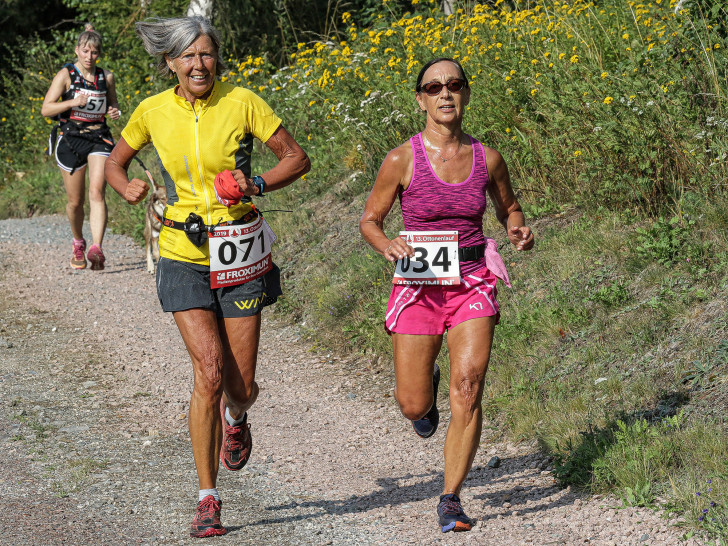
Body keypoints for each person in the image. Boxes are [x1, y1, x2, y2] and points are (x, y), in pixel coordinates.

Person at [104, 16, 310, 538]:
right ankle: (207, 497)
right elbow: (114, 161)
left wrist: (256, 182)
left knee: (239, 386)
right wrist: (124, 185)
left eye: (206, 54)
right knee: (210, 372)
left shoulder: (243, 102)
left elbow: (296, 158)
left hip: (238, 250)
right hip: (181, 248)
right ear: (169, 62)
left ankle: (237, 420)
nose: (198, 64)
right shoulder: (151, 111)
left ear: (217, 59)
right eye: (187, 56)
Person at [359, 57, 534, 533]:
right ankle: (426, 391)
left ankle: (451, 497)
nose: (445, 93)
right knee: (413, 404)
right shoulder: (402, 159)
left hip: (472, 279)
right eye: (434, 87)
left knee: (471, 386)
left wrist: (517, 230)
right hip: (419, 282)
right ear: (421, 99)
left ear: (466, 94)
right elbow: (370, 221)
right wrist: (387, 244)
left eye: (454, 84)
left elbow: (509, 208)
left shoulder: (488, 158)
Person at [41, 24, 120, 270]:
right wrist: (73, 102)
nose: (89, 57)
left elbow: (112, 105)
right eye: (85, 51)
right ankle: (78, 242)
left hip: (99, 138)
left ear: (99, 54)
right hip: (71, 139)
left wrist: (114, 111)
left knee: (97, 192)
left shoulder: (106, 76)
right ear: (77, 51)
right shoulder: (66, 74)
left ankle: (97, 247)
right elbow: (46, 108)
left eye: (94, 52)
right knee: (76, 202)